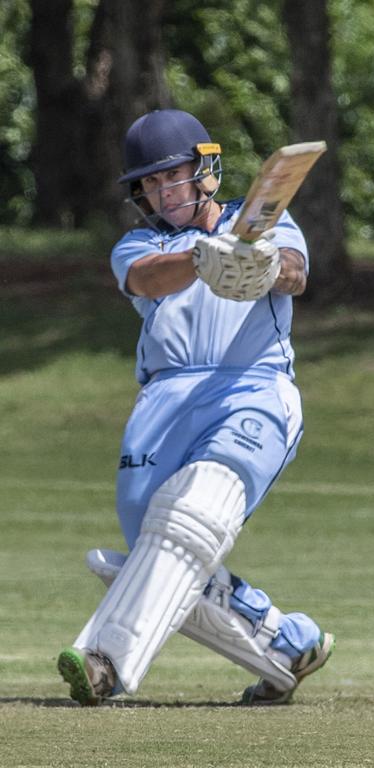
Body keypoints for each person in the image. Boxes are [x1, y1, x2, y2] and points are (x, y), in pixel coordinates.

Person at [57, 108, 334, 706]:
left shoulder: (261, 222)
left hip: (252, 388)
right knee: (162, 551)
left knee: (193, 517)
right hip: (164, 402)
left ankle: (106, 665)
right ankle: (289, 643)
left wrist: (261, 265)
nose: (163, 191)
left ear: (204, 169)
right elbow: (150, 279)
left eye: (172, 176)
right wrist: (203, 258)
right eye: (151, 184)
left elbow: (294, 274)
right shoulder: (138, 243)